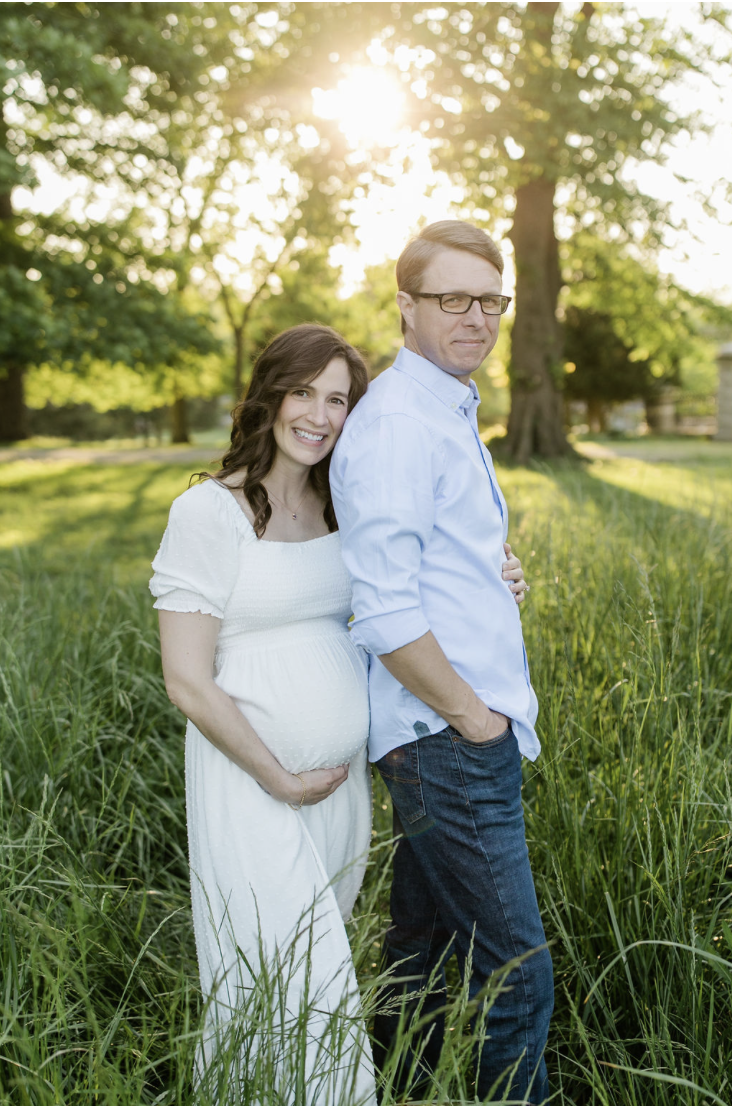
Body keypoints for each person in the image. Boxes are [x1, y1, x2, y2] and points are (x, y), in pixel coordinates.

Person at [330, 221, 554, 1104]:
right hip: (447, 734)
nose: (476, 317)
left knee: (420, 956)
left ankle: (400, 1089)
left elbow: (429, 561)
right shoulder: (398, 424)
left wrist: (493, 574)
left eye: (490, 300)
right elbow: (384, 610)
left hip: (449, 728)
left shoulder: (444, 409)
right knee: (518, 977)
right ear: (406, 306)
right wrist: (473, 718)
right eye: (452, 298)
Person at [149, 324, 376, 1105]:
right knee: (300, 980)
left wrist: (497, 574)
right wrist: (278, 777)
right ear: (269, 397)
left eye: (338, 400)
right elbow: (187, 680)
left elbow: (408, 597)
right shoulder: (208, 513)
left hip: (339, 788)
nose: (319, 415)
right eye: (303, 392)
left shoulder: (343, 506)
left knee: (298, 978)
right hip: (252, 785)